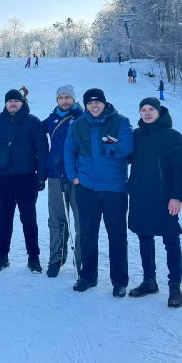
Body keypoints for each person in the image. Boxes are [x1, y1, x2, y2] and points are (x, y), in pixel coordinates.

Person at [64, 88, 133, 297]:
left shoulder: (120, 121)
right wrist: (73, 176)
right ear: (85, 105)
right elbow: (69, 151)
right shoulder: (77, 125)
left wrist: (108, 147)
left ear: (104, 102)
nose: (94, 106)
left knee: (117, 235)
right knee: (87, 234)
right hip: (87, 188)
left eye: (98, 102)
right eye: (90, 103)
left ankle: (119, 280)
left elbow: (127, 147)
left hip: (115, 189)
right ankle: (88, 275)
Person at [127, 98, 182, 308]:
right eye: (143, 109)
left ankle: (175, 286)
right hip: (140, 196)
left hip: (164, 198)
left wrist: (177, 196)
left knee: (171, 240)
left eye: (151, 109)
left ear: (159, 111)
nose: (147, 113)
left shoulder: (172, 136)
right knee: (144, 238)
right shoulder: (136, 135)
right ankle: (149, 281)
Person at [0, 89, 49, 274]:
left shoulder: (33, 122)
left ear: (22, 103)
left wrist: (41, 176)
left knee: (29, 219)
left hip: (26, 177)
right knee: (3, 218)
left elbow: (43, 149)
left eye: (16, 101)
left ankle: (33, 257)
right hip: (4, 177)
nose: (13, 104)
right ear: (5, 103)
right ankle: (2, 256)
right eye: (10, 101)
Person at [43, 84, 84, 278]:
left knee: (80, 220)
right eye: (61, 98)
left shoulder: (83, 119)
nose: (65, 101)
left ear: (74, 99)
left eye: (68, 97)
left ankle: (82, 260)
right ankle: (55, 258)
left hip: (78, 177)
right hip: (55, 175)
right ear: (57, 100)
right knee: (57, 219)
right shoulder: (51, 120)